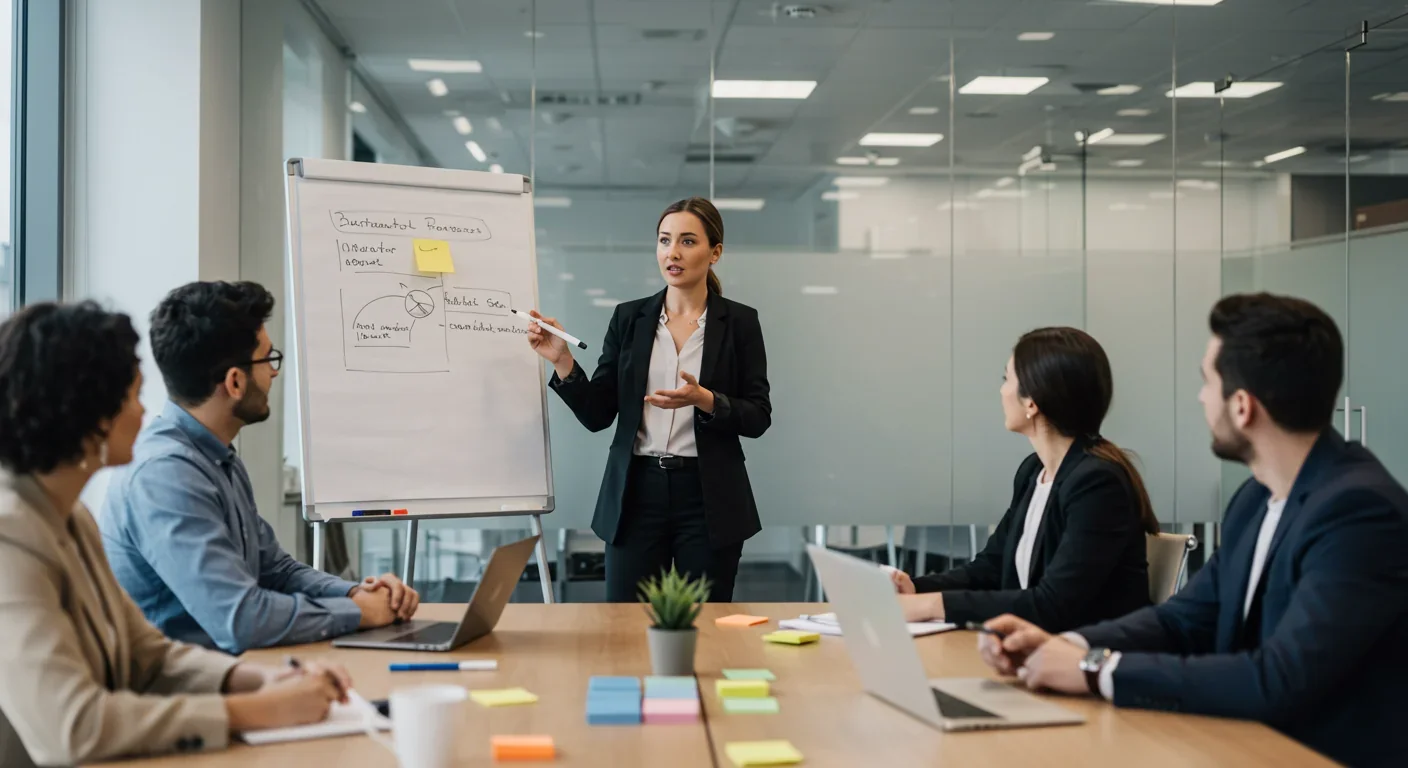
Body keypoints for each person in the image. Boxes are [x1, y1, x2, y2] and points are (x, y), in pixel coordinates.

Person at [978, 294, 1408, 768]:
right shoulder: (1256, 498)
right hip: (1234, 741)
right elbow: (1183, 618)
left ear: (1242, 406)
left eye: (1208, 382)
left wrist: (1095, 668)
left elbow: (1279, 678)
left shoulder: (1359, 513)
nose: (1202, 397)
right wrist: (1068, 646)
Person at [0, 302, 355, 767]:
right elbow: (75, 727)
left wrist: (260, 681)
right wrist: (250, 711)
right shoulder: (10, 539)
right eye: (132, 395)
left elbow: (149, 657)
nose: (143, 410)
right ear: (89, 413)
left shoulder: (70, 517)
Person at [100, 281, 419, 654]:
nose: (274, 373)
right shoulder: (166, 475)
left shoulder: (215, 458)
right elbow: (240, 619)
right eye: (269, 359)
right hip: (183, 693)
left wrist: (356, 593)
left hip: (233, 674)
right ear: (235, 382)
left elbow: (275, 570)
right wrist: (357, 613)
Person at [527, 197, 771, 602]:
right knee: (626, 627)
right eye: (664, 240)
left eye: (687, 241)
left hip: (709, 496)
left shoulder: (740, 322)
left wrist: (706, 399)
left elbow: (758, 417)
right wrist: (563, 361)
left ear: (715, 253)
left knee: (702, 627)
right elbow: (598, 414)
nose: (672, 253)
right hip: (636, 493)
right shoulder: (629, 319)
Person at [892, 328, 1157, 632]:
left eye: (1006, 379)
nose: (1001, 391)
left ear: (1031, 402)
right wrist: (915, 587)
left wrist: (929, 606)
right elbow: (990, 568)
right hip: (1036, 650)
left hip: (1085, 659)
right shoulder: (1034, 471)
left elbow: (1053, 604)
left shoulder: (1097, 483)